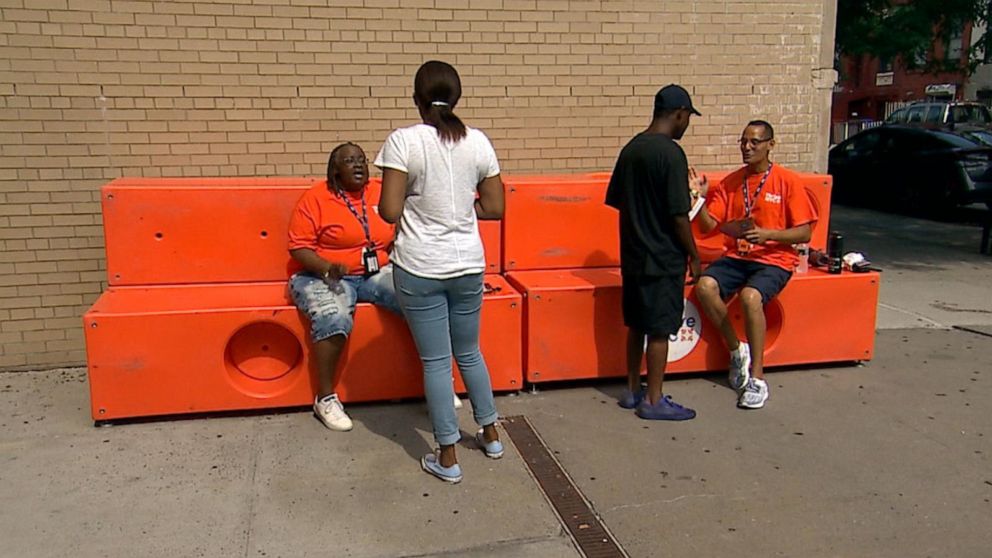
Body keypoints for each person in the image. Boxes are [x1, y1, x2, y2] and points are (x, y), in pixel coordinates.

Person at [375, 60, 505, 483]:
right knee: (470, 352)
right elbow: (495, 207)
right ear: (456, 99)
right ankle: (491, 434)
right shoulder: (478, 142)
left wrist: (418, 200)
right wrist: (459, 206)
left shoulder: (404, 141)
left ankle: (447, 457)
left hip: (420, 266)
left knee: (435, 362)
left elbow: (389, 210)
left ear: (416, 100)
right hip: (468, 262)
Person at [691, 120, 818, 409]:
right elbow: (711, 225)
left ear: (770, 145)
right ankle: (737, 351)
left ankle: (757, 378)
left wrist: (767, 235)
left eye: (755, 142)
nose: (747, 148)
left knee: (751, 297)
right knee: (705, 286)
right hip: (738, 257)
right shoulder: (732, 182)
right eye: (743, 142)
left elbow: (805, 233)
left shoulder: (788, 181)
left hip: (774, 259)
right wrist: (697, 198)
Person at [287, 142, 401, 431]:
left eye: (362, 160)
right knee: (333, 316)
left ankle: (435, 383)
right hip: (322, 275)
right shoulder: (315, 198)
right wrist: (326, 267)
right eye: (350, 161)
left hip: (375, 272)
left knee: (420, 299)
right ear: (335, 170)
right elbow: (299, 248)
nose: (359, 165)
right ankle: (325, 398)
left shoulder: (379, 192)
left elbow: (398, 230)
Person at [604, 84, 703, 421]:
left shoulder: (631, 149)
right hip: (662, 259)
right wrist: (695, 254)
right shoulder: (671, 154)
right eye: (688, 116)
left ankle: (633, 390)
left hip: (632, 256)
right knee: (660, 329)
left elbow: (618, 201)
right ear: (679, 114)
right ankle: (654, 399)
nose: (687, 124)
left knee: (636, 325)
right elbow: (678, 215)